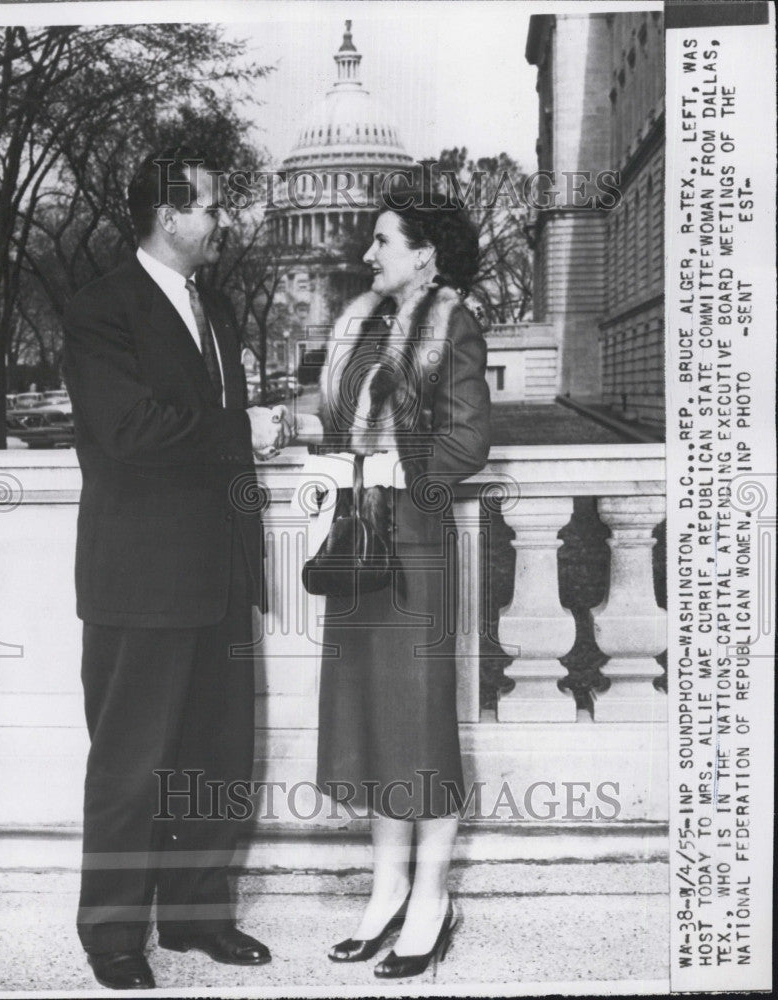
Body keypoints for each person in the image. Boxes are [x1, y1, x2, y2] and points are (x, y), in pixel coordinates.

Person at [63, 151, 291, 991]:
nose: (221, 220)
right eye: (210, 207)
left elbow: (197, 419)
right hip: (141, 577)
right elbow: (131, 432)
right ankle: (113, 939)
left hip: (222, 575)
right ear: (169, 215)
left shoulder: (216, 306)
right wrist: (242, 429)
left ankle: (198, 915)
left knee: (214, 757)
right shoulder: (100, 310)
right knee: (131, 765)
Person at [313, 185, 491, 978]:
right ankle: (385, 893)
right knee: (372, 719)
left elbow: (466, 445)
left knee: (417, 723)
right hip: (358, 549)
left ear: (424, 252)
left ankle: (430, 898)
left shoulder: (455, 326)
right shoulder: (364, 326)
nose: (366, 255)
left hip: (412, 548)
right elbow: (340, 424)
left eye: (381, 241)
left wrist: (388, 468)